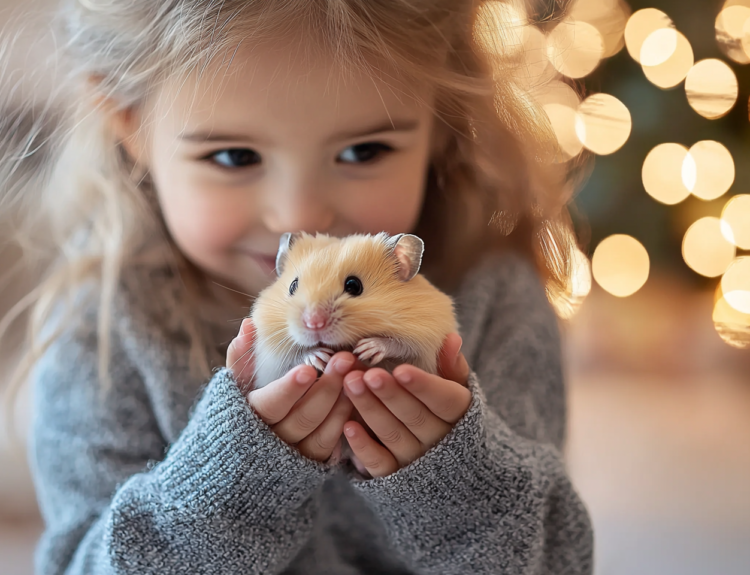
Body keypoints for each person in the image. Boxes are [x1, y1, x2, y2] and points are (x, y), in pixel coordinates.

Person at [0, 0, 593, 573]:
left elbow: (549, 563)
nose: (297, 216)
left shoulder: (497, 300)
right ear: (129, 124)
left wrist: (457, 481)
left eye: (363, 150)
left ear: (440, 122)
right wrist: (230, 483)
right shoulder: (101, 327)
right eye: (234, 156)